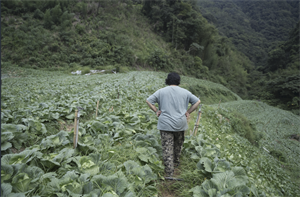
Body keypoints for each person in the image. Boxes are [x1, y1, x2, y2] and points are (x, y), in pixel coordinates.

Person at [146, 72, 201, 178]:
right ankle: (176, 162)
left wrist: (156, 110)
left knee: (167, 147)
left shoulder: (161, 91)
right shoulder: (185, 92)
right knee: (178, 144)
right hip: (180, 123)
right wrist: (188, 112)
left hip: (165, 123)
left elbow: (148, 100)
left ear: (167, 80)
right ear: (178, 81)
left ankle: (169, 172)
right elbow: (197, 102)